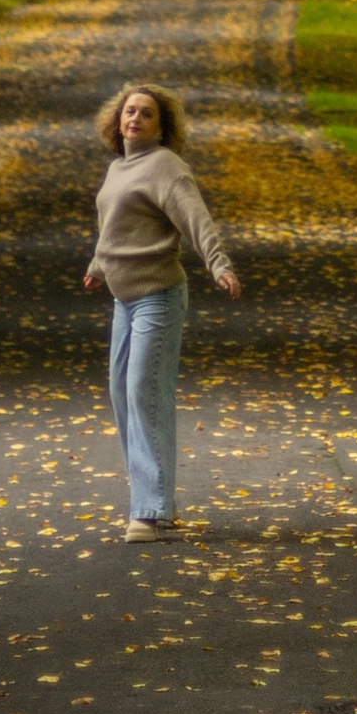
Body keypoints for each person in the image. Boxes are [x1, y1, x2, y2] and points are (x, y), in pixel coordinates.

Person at [82, 82, 242, 538]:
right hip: (124, 299)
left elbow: (196, 220)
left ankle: (148, 512)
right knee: (122, 395)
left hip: (159, 297)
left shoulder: (166, 167)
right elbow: (114, 229)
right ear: (117, 121)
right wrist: (98, 266)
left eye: (146, 113)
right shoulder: (118, 168)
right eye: (129, 111)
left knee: (143, 392)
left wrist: (219, 264)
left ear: (160, 126)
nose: (135, 118)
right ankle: (155, 501)